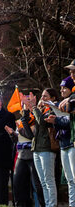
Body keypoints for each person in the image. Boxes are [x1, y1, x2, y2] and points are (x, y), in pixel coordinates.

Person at [5, 103, 45, 207]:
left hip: (33, 156)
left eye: (26, 103)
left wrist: (21, 129)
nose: (23, 106)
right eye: (23, 104)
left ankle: (43, 204)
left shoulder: (36, 118)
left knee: (37, 186)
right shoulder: (20, 120)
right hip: (21, 156)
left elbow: (31, 136)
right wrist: (12, 134)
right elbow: (17, 140)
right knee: (18, 185)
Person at [25, 89, 59, 207]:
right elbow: (28, 123)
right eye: (42, 96)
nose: (43, 98)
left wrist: (34, 107)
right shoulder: (40, 110)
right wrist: (26, 108)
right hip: (37, 149)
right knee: (43, 182)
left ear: (53, 98)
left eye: (46, 96)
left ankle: (52, 204)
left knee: (49, 180)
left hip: (47, 148)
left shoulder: (53, 109)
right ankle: (47, 204)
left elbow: (43, 123)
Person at [45, 76, 75, 207]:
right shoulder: (61, 104)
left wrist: (56, 121)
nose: (62, 90)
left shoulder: (71, 103)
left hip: (72, 143)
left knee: (74, 179)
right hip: (63, 143)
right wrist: (54, 120)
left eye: (65, 87)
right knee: (70, 180)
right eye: (61, 88)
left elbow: (71, 123)